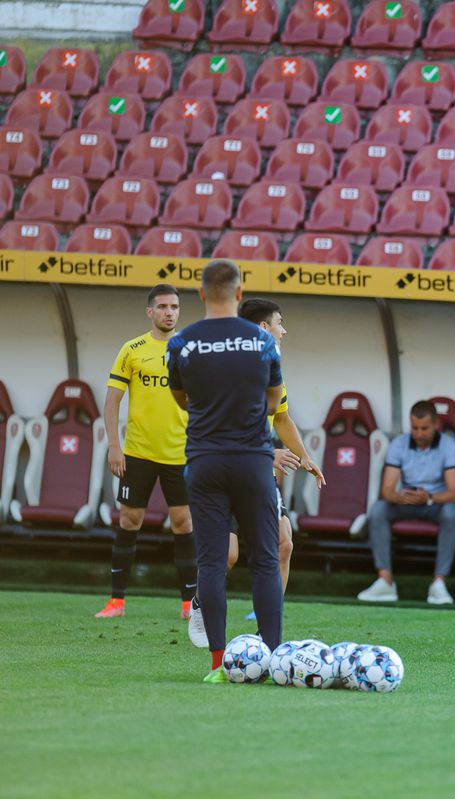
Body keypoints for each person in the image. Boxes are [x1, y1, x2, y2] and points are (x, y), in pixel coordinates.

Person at [166, 260, 285, 683]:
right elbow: (274, 401)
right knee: (266, 560)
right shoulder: (263, 340)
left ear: (200, 294)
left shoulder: (181, 342)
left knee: (212, 563)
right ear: (239, 294)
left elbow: (182, 398)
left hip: (203, 460)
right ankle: (271, 661)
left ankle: (219, 665)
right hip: (254, 459)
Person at [198, 298, 325, 639]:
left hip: (258, 476)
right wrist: (269, 454)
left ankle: (263, 631)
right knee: (226, 557)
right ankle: (202, 599)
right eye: (279, 322)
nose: (284, 329)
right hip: (226, 473)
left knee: (285, 543)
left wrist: (305, 456)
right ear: (264, 328)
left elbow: (281, 418)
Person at [96, 284, 196, 620]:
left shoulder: (191, 349)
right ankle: (116, 602)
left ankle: (188, 605)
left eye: (175, 307)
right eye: (163, 306)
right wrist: (114, 446)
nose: (170, 312)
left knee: (183, 523)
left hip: (180, 454)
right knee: (129, 519)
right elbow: (112, 400)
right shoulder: (132, 349)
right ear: (150, 311)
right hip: (138, 452)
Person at [357, 401, 455, 605]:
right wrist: (401, 496)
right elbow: (387, 490)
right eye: (415, 428)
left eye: (424, 428)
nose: (419, 433)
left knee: (452, 512)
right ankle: (385, 581)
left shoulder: (449, 446)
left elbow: (454, 493)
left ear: (436, 425)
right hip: (406, 502)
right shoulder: (399, 444)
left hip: (434, 503)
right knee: (378, 509)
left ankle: (438, 584)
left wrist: (429, 498)